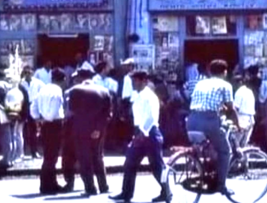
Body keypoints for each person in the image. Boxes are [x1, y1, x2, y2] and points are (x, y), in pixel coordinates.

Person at [110, 70, 167, 203]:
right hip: (140, 133)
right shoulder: (137, 95)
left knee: (157, 167)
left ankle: (166, 192)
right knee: (130, 162)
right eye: (133, 81)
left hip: (150, 133)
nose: (133, 83)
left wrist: (142, 133)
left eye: (136, 81)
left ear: (144, 81)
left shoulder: (150, 96)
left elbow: (151, 117)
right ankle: (126, 193)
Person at [188, 59, 240, 195]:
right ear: (225, 72)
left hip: (192, 120)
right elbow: (231, 109)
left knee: (208, 145)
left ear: (210, 72)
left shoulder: (200, 83)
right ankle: (221, 185)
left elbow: (202, 101)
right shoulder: (225, 85)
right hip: (209, 120)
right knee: (225, 151)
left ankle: (207, 170)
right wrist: (239, 125)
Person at [67, 68, 111, 196]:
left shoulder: (75, 91)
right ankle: (103, 186)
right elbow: (108, 113)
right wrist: (98, 128)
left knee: (84, 158)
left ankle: (90, 188)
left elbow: (72, 109)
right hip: (99, 130)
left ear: (80, 78)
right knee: (98, 157)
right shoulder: (104, 91)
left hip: (81, 130)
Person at [30, 68, 66, 194]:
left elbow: (33, 107)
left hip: (45, 124)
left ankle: (50, 183)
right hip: (54, 124)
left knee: (48, 155)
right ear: (62, 80)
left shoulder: (42, 89)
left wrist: (38, 118)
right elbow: (54, 110)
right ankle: (47, 185)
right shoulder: (57, 91)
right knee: (52, 157)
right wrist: (47, 118)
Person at [21, 66, 44, 159]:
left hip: (34, 106)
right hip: (23, 107)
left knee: (34, 130)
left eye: (29, 72)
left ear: (32, 73)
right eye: (25, 72)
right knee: (22, 131)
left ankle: (34, 152)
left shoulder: (38, 83)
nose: (27, 74)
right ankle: (21, 152)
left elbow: (43, 93)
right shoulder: (21, 83)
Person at [233, 71, 255, 149]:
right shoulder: (250, 91)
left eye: (235, 83)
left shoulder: (239, 92)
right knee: (244, 146)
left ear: (240, 82)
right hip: (251, 118)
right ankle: (245, 161)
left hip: (242, 118)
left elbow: (236, 108)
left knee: (236, 145)